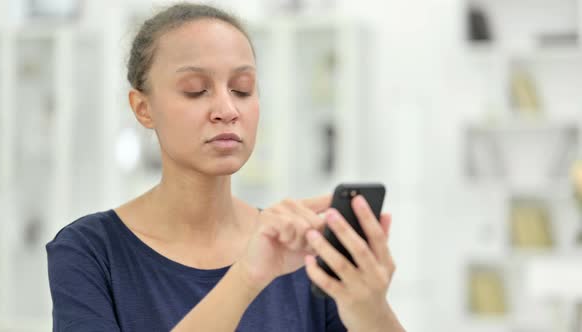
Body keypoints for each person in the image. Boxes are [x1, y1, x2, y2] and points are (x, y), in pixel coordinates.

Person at [46, 3, 405, 331]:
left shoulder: (300, 251)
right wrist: (246, 277)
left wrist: (371, 309)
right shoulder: (89, 251)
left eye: (242, 89)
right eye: (196, 89)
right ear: (143, 108)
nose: (227, 109)